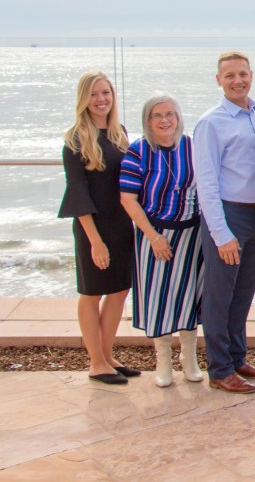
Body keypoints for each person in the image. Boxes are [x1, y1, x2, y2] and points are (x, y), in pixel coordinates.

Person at [194, 52, 255, 394]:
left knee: (244, 291)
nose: (237, 81)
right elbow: (206, 183)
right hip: (228, 216)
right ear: (218, 80)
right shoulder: (211, 123)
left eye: (242, 74)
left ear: (251, 75)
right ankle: (220, 369)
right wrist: (221, 234)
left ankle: (237, 357)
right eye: (229, 75)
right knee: (220, 295)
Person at [119, 93, 205, 387]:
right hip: (155, 235)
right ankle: (163, 361)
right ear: (148, 120)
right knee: (159, 299)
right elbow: (128, 199)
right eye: (157, 115)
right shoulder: (139, 151)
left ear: (178, 118)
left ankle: (189, 358)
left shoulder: (193, 146)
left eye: (170, 114)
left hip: (192, 235)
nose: (165, 120)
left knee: (190, 297)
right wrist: (154, 237)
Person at [58, 72, 137, 385]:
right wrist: (95, 241)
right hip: (92, 226)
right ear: (83, 99)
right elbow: (77, 192)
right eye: (93, 94)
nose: (101, 99)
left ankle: (107, 356)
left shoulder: (119, 132)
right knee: (92, 292)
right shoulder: (74, 140)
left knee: (120, 289)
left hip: (121, 223)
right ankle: (96, 363)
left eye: (105, 92)